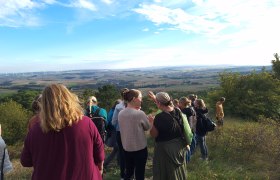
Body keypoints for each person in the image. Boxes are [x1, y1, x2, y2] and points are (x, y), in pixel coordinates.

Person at [21, 84, 105, 180]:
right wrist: (100, 170)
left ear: (44, 105)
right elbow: (99, 156)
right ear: (69, 99)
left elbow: (25, 161)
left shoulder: (35, 131)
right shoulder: (86, 123)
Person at [149, 92, 188, 180]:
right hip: (179, 147)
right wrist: (156, 99)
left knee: (165, 172)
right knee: (177, 171)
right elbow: (165, 106)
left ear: (159, 103)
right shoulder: (177, 110)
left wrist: (151, 124)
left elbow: (154, 134)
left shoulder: (159, 117)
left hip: (165, 150)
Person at [118, 89, 151, 180]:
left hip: (127, 148)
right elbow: (147, 127)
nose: (141, 100)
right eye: (140, 98)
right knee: (140, 174)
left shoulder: (121, 113)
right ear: (134, 99)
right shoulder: (140, 114)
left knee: (128, 172)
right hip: (140, 149)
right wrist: (150, 121)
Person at [111, 88, 128, 179]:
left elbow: (113, 122)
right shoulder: (134, 106)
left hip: (120, 132)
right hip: (131, 133)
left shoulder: (118, 107)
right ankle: (131, 174)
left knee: (122, 154)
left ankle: (123, 175)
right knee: (131, 153)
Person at [104, 99, 121, 170]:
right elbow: (111, 122)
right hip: (115, 131)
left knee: (117, 149)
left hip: (113, 132)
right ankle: (118, 164)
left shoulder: (111, 110)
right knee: (117, 148)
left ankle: (118, 163)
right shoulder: (114, 111)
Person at [178, 97, 196, 163]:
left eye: (179, 103)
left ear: (181, 103)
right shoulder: (191, 109)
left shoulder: (183, 112)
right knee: (190, 145)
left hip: (187, 130)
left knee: (186, 147)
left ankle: (187, 161)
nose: (178, 105)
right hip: (192, 129)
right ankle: (189, 159)